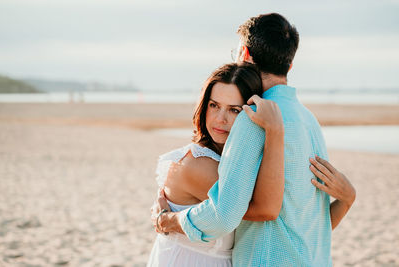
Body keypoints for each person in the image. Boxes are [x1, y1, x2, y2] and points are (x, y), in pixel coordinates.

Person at [152, 13, 356, 266]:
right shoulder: (308, 120)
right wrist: (347, 200)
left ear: (244, 54)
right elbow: (311, 221)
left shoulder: (254, 116)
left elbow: (225, 215)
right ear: (289, 66)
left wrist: (167, 220)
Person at [147, 62, 285, 266]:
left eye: (234, 110)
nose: (220, 119)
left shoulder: (229, 159)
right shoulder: (197, 164)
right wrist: (275, 132)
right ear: (204, 106)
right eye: (214, 105)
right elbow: (265, 210)